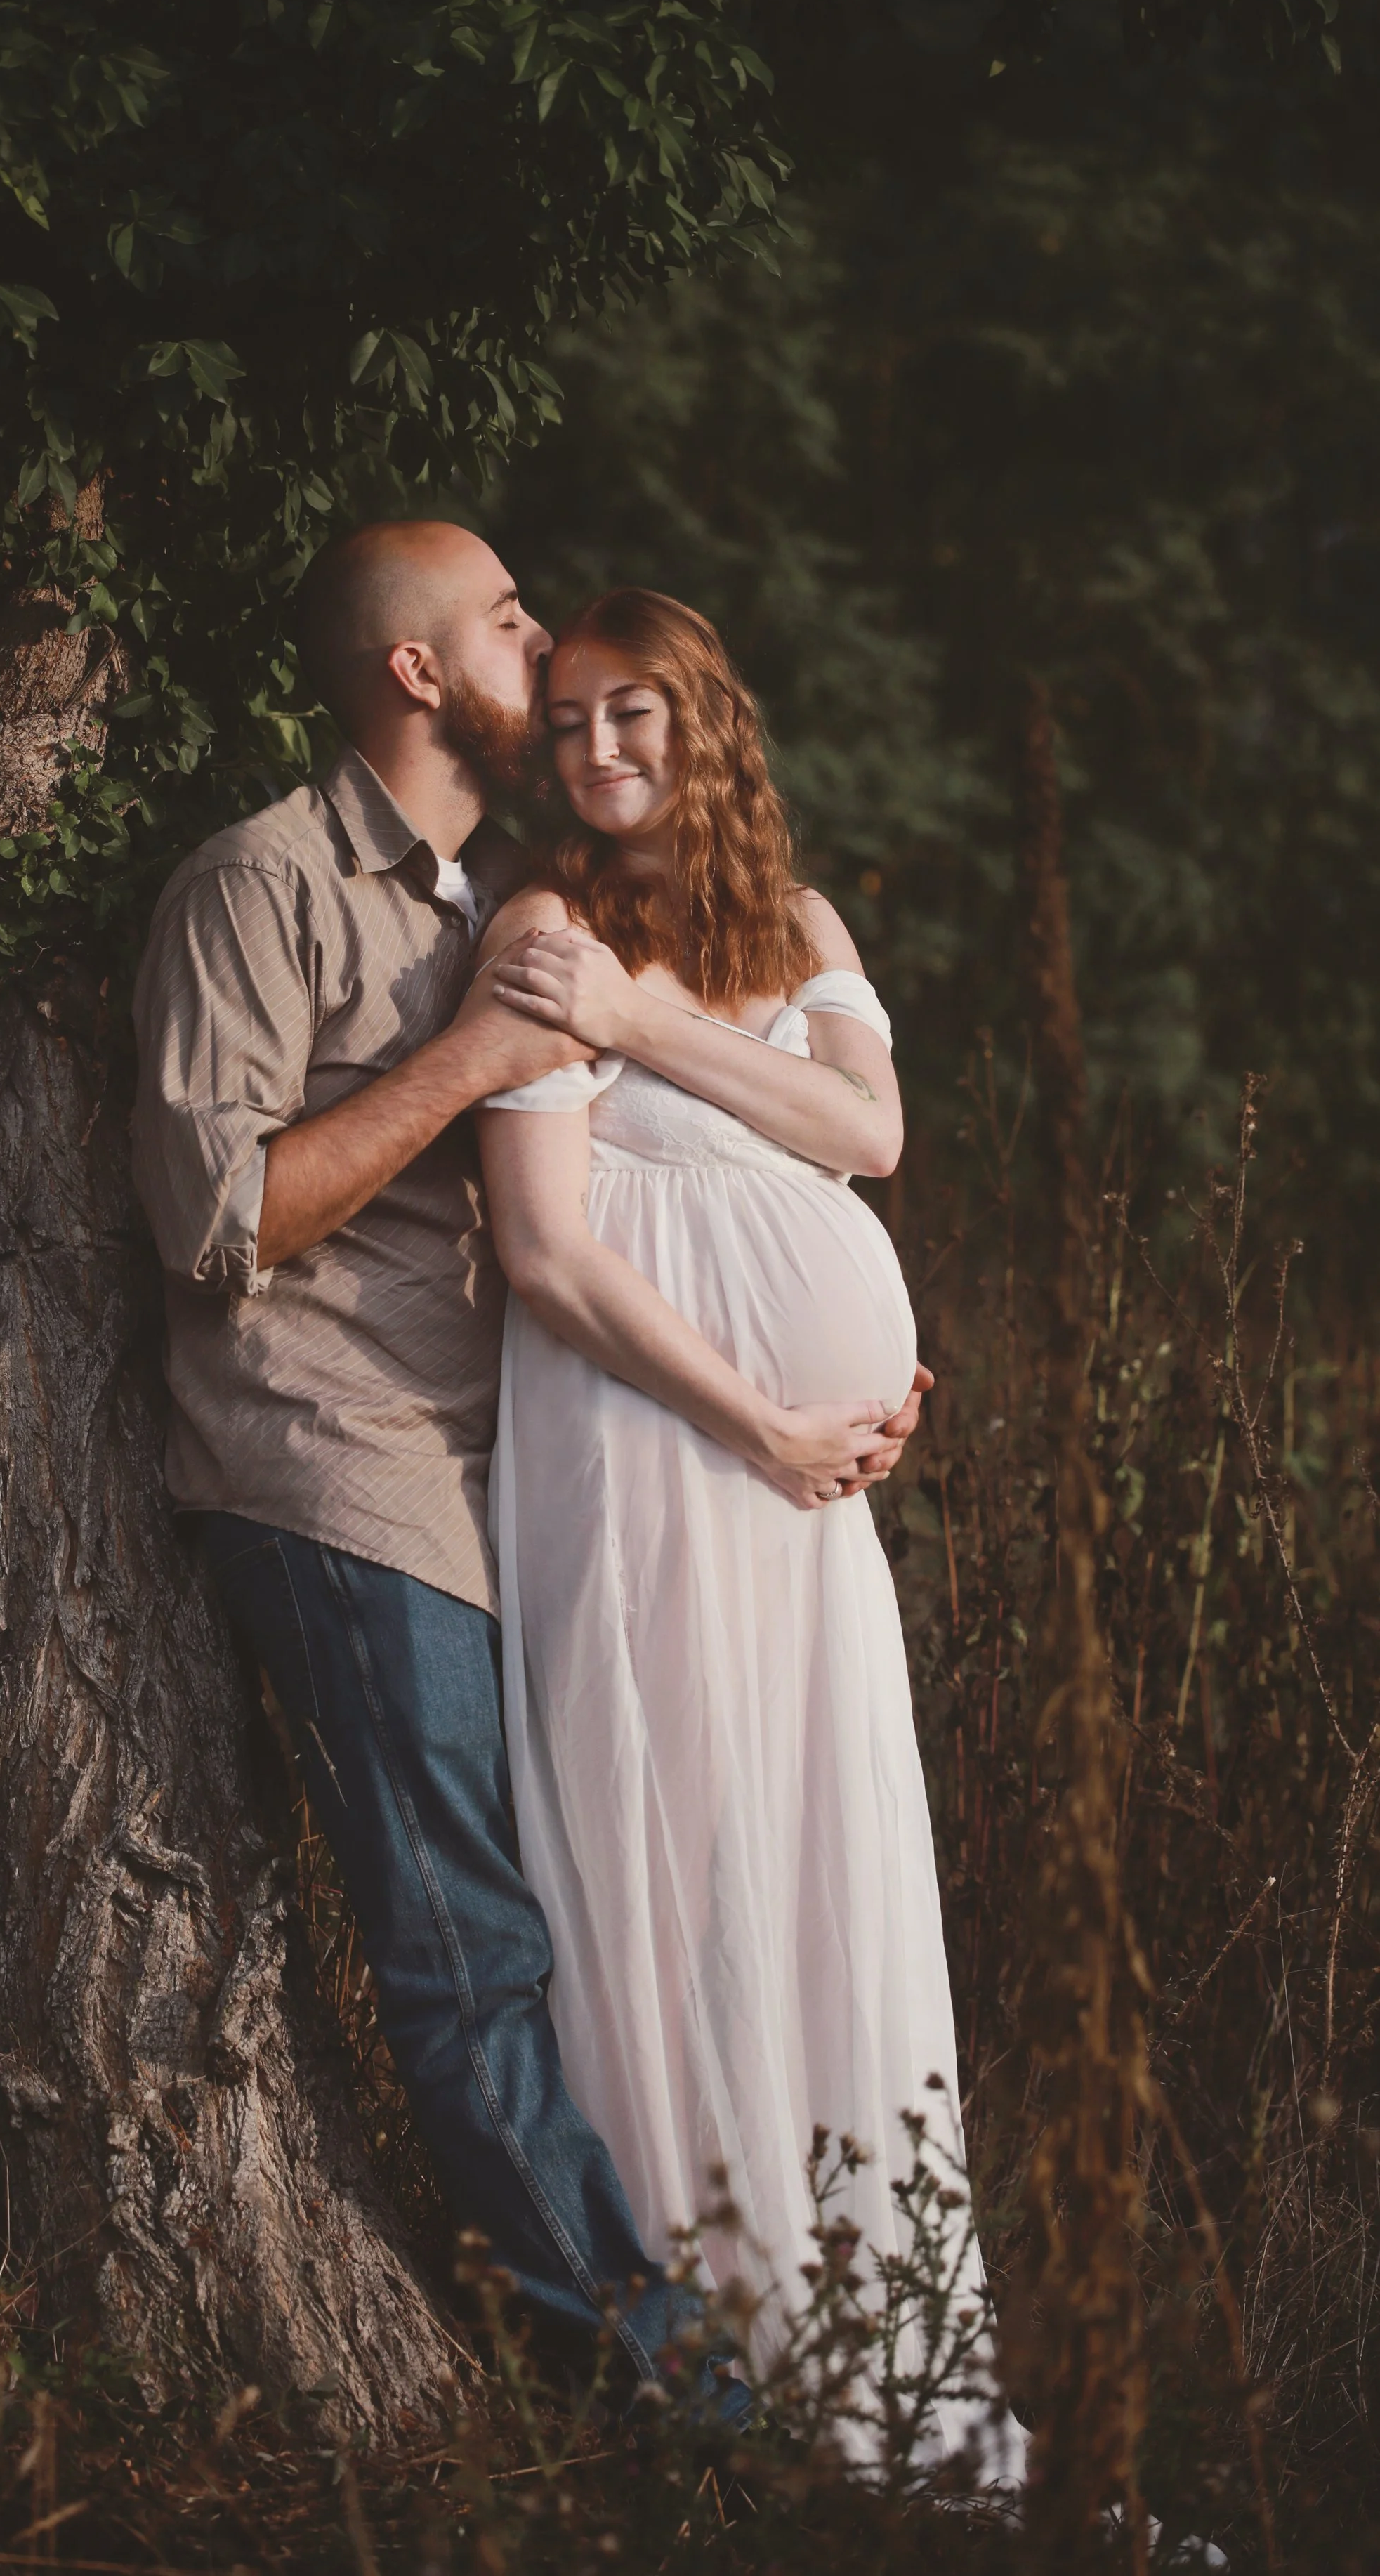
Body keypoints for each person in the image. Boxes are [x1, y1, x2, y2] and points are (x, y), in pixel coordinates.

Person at [129, 523, 926, 2405]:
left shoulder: (513, 882)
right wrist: (471, 1055)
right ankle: (672, 2395)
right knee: (466, 1948)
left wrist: (836, 1338)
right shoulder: (257, 887)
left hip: (531, 1477)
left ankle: (750, 2303)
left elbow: (727, 1163)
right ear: (417, 670)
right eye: (506, 625)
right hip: (345, 1465)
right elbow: (216, 1219)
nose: (541, 640)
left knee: (585, 1907)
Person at [476, 584, 1011, 2462]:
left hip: (800, 1499)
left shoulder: (794, 927)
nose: (603, 753)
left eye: (638, 716)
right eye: (569, 727)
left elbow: (865, 1135)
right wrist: (765, 1412)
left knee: (806, 1849)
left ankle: (865, 2356)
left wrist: (650, 1025)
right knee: (669, 1847)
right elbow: (544, 1254)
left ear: (707, 726)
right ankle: (707, 2356)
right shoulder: (541, 931)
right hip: (646, 1452)